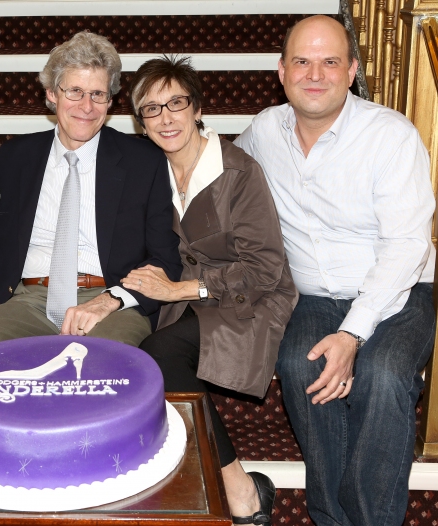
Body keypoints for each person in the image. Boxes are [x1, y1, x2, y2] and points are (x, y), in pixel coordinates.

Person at [235, 15, 436, 526]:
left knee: (383, 375)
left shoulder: (390, 135)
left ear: (351, 71)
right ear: (281, 71)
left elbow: (406, 245)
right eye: (302, 61)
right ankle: (330, 515)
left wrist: (351, 333)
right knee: (301, 367)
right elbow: (220, 181)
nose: (315, 74)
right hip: (309, 294)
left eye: (330, 61)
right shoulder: (263, 129)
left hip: (397, 289)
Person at [121, 55, 298, 526]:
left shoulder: (238, 171)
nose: (165, 118)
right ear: (141, 124)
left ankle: (239, 488)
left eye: (175, 103)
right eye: (151, 110)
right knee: (129, 349)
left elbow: (265, 266)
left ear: (197, 107)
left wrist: (183, 289)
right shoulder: (149, 172)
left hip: (248, 297)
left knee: (159, 352)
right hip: (186, 298)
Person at [0, 31, 181, 357]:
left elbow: (165, 258)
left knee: (104, 361)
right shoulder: (17, 157)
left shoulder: (143, 161)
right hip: (28, 299)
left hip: (110, 300)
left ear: (111, 101)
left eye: (98, 94)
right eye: (74, 91)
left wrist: (111, 300)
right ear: (51, 93)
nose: (86, 107)